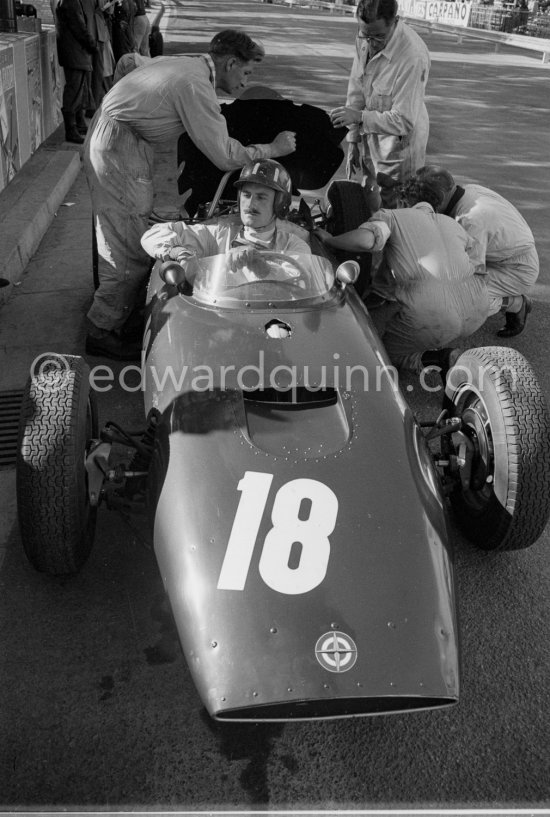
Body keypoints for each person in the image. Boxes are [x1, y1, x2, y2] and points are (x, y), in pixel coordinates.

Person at [83, 29, 297, 360]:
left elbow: (129, 62)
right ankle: (102, 330)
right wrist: (274, 148)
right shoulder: (196, 85)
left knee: (120, 232)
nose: (245, 81)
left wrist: (125, 103)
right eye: (246, 72)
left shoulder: (186, 64)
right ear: (229, 63)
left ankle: (115, 317)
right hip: (118, 148)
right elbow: (225, 156)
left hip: (114, 137)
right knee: (129, 248)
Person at [314, 177, 489, 376]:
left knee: (380, 356)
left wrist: (331, 240)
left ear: (403, 201)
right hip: (479, 307)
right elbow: (478, 263)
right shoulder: (453, 224)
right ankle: (431, 340)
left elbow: (366, 241)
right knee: (438, 322)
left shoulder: (393, 216)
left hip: (434, 315)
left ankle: (440, 359)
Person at [415, 165, 538, 337]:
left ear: (440, 197)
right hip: (506, 257)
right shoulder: (469, 190)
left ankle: (515, 303)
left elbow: (473, 273)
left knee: (461, 301)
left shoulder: (470, 220)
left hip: (517, 270)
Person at [329, 0, 430, 206]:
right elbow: (357, 88)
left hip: (400, 148)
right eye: (366, 34)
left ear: (396, 21)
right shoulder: (364, 36)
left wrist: (359, 117)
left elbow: (403, 120)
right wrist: (353, 140)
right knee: (368, 199)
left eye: (379, 36)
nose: (371, 43)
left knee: (394, 211)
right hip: (370, 137)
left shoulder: (412, 56)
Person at [141, 159, 310, 270]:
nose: (250, 204)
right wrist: (177, 251)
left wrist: (260, 264)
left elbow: (300, 282)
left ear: (280, 203)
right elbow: (153, 234)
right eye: (246, 195)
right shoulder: (218, 235)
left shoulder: (294, 245)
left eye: (261, 197)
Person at [55, 0, 97, 143]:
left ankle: (78, 124)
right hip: (74, 53)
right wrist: (91, 44)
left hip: (74, 53)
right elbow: (79, 28)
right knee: (74, 90)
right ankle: (71, 129)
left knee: (78, 89)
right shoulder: (70, 2)